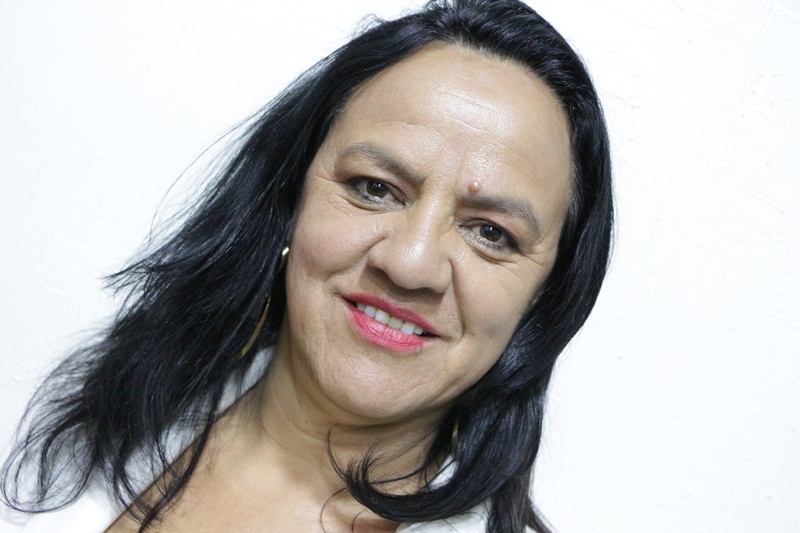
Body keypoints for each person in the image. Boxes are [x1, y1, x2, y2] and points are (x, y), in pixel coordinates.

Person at [0, 0, 612, 531]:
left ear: (546, 295)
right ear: (290, 196)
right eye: (375, 188)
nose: (409, 264)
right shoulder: (89, 412)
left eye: (491, 233)